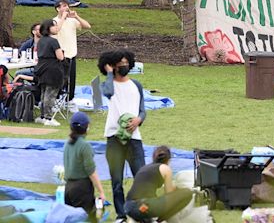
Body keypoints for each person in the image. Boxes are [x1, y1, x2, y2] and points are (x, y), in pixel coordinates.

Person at [98, 49, 146, 222]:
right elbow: (109, 92)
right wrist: (110, 73)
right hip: (114, 138)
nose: (124, 66)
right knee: (116, 180)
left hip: (134, 138)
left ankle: (141, 212)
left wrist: (138, 120)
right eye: (120, 64)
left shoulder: (136, 85)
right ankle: (121, 215)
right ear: (113, 66)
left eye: (127, 63)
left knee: (141, 177)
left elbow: (142, 110)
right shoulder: (107, 84)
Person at [124, 146, 193, 223]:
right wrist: (178, 190)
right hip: (143, 206)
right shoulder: (165, 168)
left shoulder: (146, 167)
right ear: (168, 159)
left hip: (129, 207)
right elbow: (169, 194)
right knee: (187, 193)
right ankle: (158, 221)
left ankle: (141, 220)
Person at [63, 112, 105, 223]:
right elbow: (91, 171)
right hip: (81, 188)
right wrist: (101, 191)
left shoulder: (67, 144)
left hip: (67, 188)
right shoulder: (85, 146)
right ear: (86, 127)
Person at [54, 0, 91, 107]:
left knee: (71, 79)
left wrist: (76, 17)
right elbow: (56, 29)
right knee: (60, 79)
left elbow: (87, 26)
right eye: (64, 6)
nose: (66, 8)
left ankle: (69, 100)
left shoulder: (72, 21)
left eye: (67, 6)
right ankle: (56, 99)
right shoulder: (54, 21)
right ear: (58, 9)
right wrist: (63, 18)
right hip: (60, 55)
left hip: (72, 53)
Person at [34, 19, 65, 127]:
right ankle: (48, 117)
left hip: (42, 68)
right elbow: (60, 56)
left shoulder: (41, 40)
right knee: (50, 94)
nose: (57, 28)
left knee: (44, 93)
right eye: (54, 26)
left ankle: (42, 116)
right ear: (48, 28)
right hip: (53, 69)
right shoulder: (53, 41)